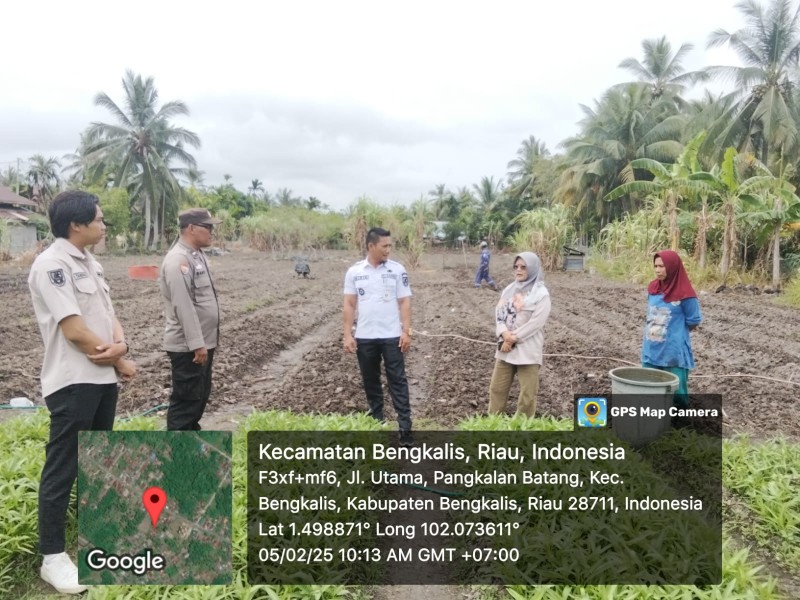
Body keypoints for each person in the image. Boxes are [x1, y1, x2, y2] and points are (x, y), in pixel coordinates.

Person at [28, 190, 136, 595]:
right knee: (62, 470)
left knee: (96, 462)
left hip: (101, 379)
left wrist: (122, 346)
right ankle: (52, 558)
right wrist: (122, 360)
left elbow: (109, 317)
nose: (104, 225)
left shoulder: (90, 262)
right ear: (77, 224)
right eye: (100, 219)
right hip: (74, 381)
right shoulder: (52, 265)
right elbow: (74, 331)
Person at [343, 227, 414, 445]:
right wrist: (347, 334)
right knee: (370, 381)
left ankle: (405, 428)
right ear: (371, 246)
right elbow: (349, 303)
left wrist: (406, 331)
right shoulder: (355, 272)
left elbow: (404, 301)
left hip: (392, 336)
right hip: (365, 337)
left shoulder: (397, 270)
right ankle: (377, 423)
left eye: (390, 245)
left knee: (397, 381)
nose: (388, 250)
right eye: (385, 246)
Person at [160, 208, 222, 430]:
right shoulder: (178, 259)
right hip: (189, 347)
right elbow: (183, 304)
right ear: (191, 229)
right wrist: (197, 344)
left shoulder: (196, 255)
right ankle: (178, 456)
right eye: (208, 227)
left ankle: (189, 450)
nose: (211, 232)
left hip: (202, 344)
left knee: (198, 399)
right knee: (186, 403)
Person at [488, 252, 551, 418]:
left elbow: (536, 323)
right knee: (497, 388)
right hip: (505, 348)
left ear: (533, 269)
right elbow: (499, 314)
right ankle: (493, 424)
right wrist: (504, 333)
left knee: (527, 394)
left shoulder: (541, 294)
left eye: (524, 267)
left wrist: (513, 338)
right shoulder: (509, 290)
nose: (519, 270)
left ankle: (522, 428)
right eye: (516, 267)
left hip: (527, 350)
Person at [642, 250, 702, 407]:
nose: (658, 270)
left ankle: (680, 426)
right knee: (648, 390)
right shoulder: (653, 289)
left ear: (673, 267)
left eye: (662, 266)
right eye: (655, 266)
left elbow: (693, 321)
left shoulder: (686, 295)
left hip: (673, 352)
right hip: (652, 349)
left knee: (677, 394)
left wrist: (675, 334)